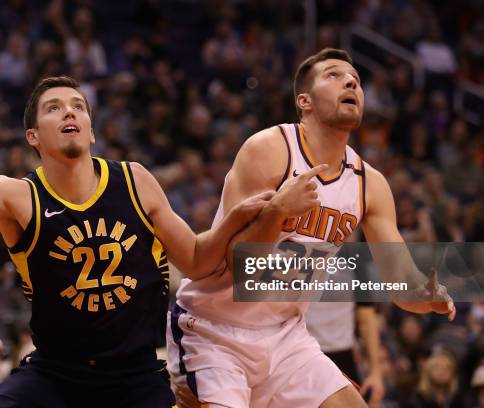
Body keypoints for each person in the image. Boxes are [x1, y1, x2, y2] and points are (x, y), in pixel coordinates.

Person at [0, 42, 276, 407]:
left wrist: (231, 222)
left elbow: (196, 259)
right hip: (55, 374)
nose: (69, 113)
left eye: (78, 107)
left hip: (135, 377)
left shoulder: (135, 181)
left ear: (91, 130)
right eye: (54, 108)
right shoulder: (18, 197)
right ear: (32, 136)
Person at [168, 48, 455, 408]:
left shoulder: (370, 184)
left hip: (286, 337)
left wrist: (427, 298)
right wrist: (276, 213)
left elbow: (401, 283)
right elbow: (238, 265)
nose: (351, 81)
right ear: (304, 100)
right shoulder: (269, 149)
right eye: (334, 75)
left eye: (356, 80)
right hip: (215, 331)